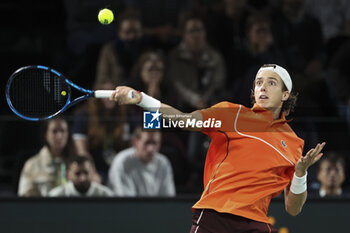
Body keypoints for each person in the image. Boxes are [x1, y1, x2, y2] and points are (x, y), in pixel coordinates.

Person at [110, 64, 326, 232]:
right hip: (216, 216)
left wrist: (300, 174)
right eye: (259, 82)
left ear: (285, 94)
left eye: (271, 83)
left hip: (256, 222)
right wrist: (141, 99)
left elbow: (293, 209)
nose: (262, 87)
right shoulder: (232, 115)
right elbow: (184, 120)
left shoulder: (294, 144)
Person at [72, 79, 129, 183]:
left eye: (112, 91)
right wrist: (92, 173)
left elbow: (133, 147)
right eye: (105, 91)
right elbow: (82, 151)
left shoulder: (126, 115)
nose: (109, 96)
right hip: (95, 170)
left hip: (120, 171)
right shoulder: (84, 116)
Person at [108, 127, 175, 197]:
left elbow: (168, 199)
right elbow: (125, 202)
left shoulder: (163, 163)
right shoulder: (122, 162)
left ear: (160, 143)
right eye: (147, 143)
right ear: (135, 142)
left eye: (154, 143)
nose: (150, 149)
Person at [18, 118, 75, 197]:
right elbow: (24, 198)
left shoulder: (75, 163)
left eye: (63, 131)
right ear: (46, 135)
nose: (59, 136)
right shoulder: (32, 164)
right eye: (54, 131)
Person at [49, 156, 113, 197]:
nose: (83, 178)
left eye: (86, 172)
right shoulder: (56, 196)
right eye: (77, 174)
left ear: (93, 172)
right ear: (68, 174)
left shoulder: (106, 195)